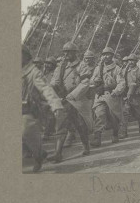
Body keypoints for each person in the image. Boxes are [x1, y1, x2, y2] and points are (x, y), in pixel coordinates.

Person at [22, 45, 64, 173]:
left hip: (27, 110)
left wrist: (56, 104)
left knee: (27, 133)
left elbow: (46, 88)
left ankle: (38, 155)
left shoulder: (34, 72)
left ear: (26, 56)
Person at [49, 41, 92, 162]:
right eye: (65, 52)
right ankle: (58, 153)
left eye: (69, 52)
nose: (66, 54)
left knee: (80, 125)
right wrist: (52, 88)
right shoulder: (61, 66)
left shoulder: (81, 65)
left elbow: (85, 82)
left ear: (75, 53)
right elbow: (55, 80)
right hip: (64, 99)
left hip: (78, 100)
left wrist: (73, 95)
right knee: (61, 124)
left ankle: (86, 146)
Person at [89, 47, 126, 147]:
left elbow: (121, 82)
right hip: (100, 95)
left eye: (108, 54)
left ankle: (115, 134)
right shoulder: (98, 68)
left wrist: (116, 91)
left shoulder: (117, 69)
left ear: (112, 56)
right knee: (99, 115)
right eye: (104, 54)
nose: (106, 56)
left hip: (112, 95)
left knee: (113, 116)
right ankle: (97, 138)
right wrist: (95, 81)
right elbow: (91, 80)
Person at [120, 54, 140, 137]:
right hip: (127, 94)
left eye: (132, 60)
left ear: (136, 61)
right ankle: (124, 132)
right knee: (125, 112)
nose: (130, 62)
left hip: (137, 95)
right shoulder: (124, 70)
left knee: (138, 113)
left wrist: (139, 91)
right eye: (129, 60)